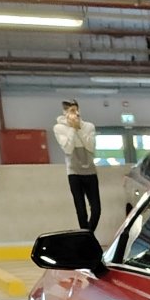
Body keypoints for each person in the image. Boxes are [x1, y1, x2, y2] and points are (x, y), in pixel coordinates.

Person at [54, 99, 100, 234]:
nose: (75, 113)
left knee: (96, 209)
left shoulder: (89, 126)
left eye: (75, 110)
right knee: (81, 210)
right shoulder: (59, 128)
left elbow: (91, 147)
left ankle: (88, 234)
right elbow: (67, 149)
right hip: (74, 173)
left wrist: (78, 128)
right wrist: (72, 129)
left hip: (90, 171)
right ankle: (86, 238)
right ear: (65, 113)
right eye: (71, 111)